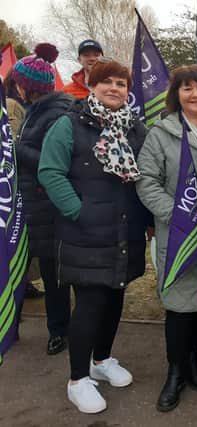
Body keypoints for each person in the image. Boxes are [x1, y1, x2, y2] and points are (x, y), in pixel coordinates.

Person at [39, 59, 150, 414]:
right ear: (92, 84)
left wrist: (145, 219)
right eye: (108, 82)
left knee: (115, 297)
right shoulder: (69, 124)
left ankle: (101, 359)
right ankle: (77, 379)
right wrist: (78, 210)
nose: (115, 88)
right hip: (85, 231)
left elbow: (144, 177)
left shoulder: (134, 128)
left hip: (123, 230)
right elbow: (50, 172)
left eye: (121, 83)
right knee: (89, 303)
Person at [136, 64, 197, 412]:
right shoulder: (161, 134)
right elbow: (146, 180)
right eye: (187, 88)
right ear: (177, 95)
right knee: (178, 306)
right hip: (178, 235)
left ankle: (192, 362)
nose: (195, 94)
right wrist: (175, 215)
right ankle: (174, 371)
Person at [13, 43, 74, 354]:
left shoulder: (56, 113)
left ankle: (60, 330)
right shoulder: (36, 111)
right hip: (36, 206)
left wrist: (13, 147)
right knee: (48, 272)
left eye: (19, 84)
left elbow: (52, 162)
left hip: (51, 207)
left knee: (55, 275)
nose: (16, 89)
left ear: (30, 87)